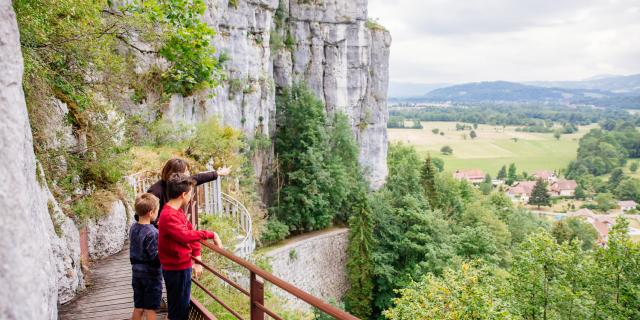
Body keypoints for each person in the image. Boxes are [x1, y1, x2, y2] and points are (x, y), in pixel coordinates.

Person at [158, 173, 223, 320]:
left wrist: (197, 257)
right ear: (183, 194)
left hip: (180, 266)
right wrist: (211, 234)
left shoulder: (175, 211)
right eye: (191, 194)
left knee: (180, 306)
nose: (191, 197)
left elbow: (190, 231)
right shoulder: (169, 216)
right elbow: (185, 235)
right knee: (179, 309)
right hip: (176, 268)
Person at [144, 158, 231, 224]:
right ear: (176, 174)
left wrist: (217, 173)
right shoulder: (155, 191)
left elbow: (198, 178)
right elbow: (142, 216)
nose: (189, 174)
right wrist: (158, 224)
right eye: (186, 171)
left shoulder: (178, 183)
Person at [129, 193, 162, 320]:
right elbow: (155, 257)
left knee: (139, 306)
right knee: (150, 308)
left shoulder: (133, 227)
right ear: (151, 213)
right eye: (157, 211)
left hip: (136, 273)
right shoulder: (153, 233)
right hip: (151, 276)